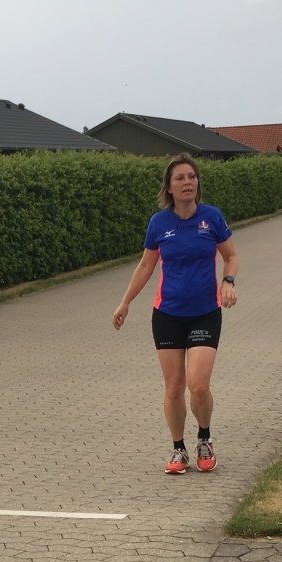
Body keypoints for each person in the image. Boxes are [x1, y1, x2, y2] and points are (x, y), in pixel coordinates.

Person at [112, 154, 239, 473]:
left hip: (205, 312)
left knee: (198, 385)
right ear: (169, 187)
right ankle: (178, 449)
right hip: (167, 314)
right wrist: (125, 302)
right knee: (173, 388)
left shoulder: (211, 217)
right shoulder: (159, 223)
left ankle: (205, 439)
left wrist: (228, 281)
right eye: (180, 178)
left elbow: (231, 256)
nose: (187, 182)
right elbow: (146, 266)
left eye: (191, 177)